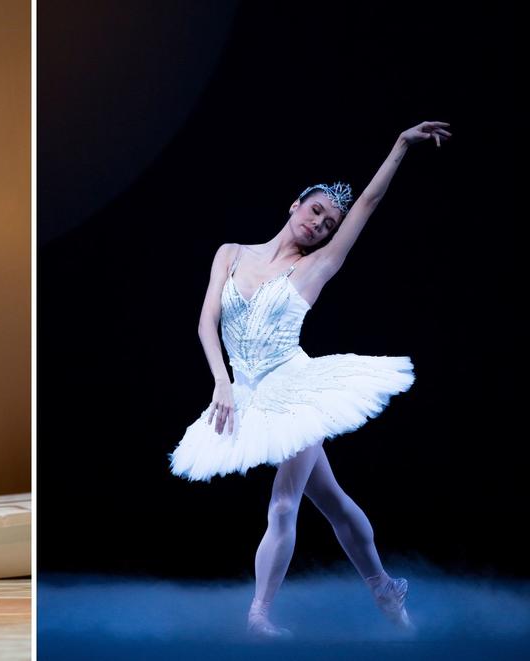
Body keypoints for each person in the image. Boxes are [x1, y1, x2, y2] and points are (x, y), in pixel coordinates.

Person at [167, 121, 451, 637]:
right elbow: (206, 322)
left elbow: (366, 204)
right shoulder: (230, 253)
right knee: (335, 502)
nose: (320, 223)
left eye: (329, 222)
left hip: (297, 391)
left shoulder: (318, 266)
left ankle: (259, 614)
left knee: (283, 502)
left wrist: (400, 146)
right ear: (295, 206)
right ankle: (385, 588)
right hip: (245, 391)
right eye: (316, 209)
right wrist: (221, 383)